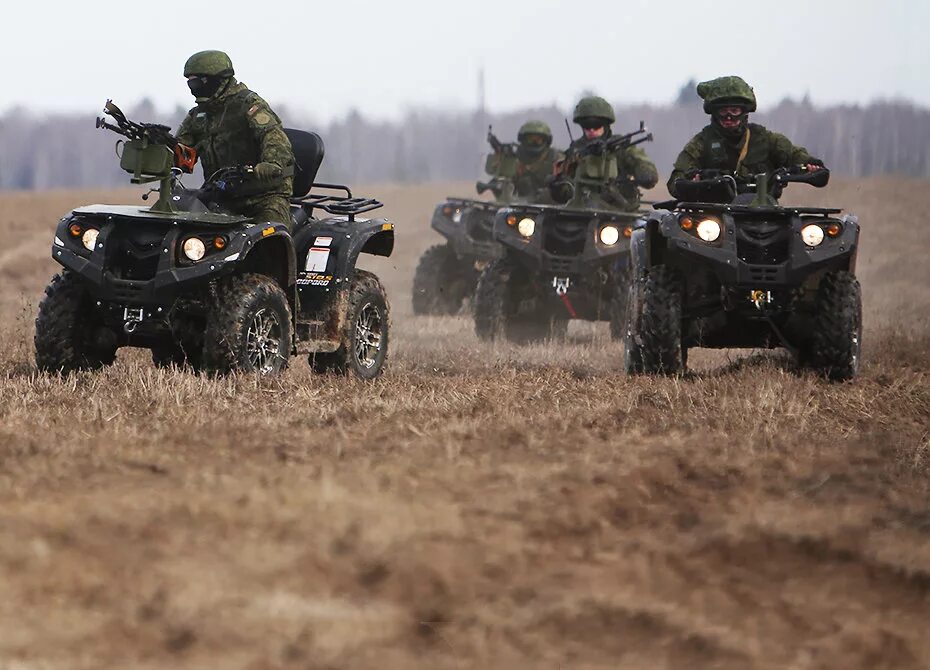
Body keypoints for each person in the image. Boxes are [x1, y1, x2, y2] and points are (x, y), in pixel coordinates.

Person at [175, 50, 295, 227]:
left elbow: (273, 137)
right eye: (190, 83)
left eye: (198, 82)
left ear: (219, 79)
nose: (194, 88)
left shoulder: (249, 105)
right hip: (220, 197)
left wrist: (271, 165)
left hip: (263, 198)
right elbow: (180, 149)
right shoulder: (199, 115)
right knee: (180, 228)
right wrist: (157, 148)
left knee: (269, 238)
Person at [667, 76, 824, 197]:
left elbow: (795, 155)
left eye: (734, 111)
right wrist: (694, 182)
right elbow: (675, 181)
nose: (729, 117)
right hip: (714, 220)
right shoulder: (702, 142)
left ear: (745, 113)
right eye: (723, 111)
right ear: (714, 113)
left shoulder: (766, 140)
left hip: (765, 216)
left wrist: (810, 166)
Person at [550, 95, 658, 211]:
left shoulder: (621, 149)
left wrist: (643, 171)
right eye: (587, 126)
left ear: (605, 125)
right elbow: (562, 194)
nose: (591, 130)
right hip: (580, 212)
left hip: (620, 212)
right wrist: (558, 183)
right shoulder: (575, 152)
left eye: (596, 125)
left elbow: (648, 174)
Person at [483, 120, 564, 201]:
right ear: (523, 140)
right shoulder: (515, 156)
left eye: (538, 140)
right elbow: (501, 179)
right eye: (530, 139)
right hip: (519, 202)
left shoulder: (556, 157)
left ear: (546, 141)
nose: (534, 143)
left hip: (551, 203)